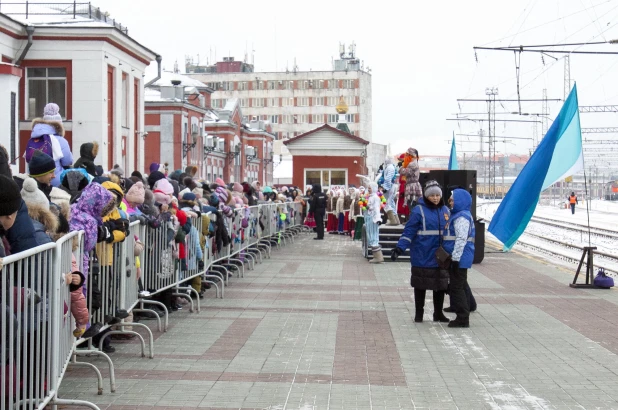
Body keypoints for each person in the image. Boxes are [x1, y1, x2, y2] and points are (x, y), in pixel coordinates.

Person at [390, 180, 450, 323]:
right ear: (426, 196)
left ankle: (438, 313)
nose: (435, 198)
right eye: (432, 195)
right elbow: (409, 231)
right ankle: (419, 313)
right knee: (420, 285)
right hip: (422, 254)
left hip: (440, 257)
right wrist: (400, 247)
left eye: (437, 195)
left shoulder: (445, 210)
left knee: (440, 286)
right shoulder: (419, 211)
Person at [442, 188, 475, 328]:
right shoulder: (459, 214)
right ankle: (463, 307)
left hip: (459, 257)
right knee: (460, 285)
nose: (450, 202)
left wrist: (455, 259)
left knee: (456, 287)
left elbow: (461, 239)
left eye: (452, 199)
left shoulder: (461, 217)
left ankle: (462, 317)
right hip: (460, 257)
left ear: (460, 201)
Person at [365, 182, 384, 263]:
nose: (369, 189)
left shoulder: (375, 197)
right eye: (368, 188)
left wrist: (378, 219)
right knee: (371, 236)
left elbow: (376, 209)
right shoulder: (371, 196)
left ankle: (378, 257)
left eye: (370, 188)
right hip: (370, 219)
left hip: (373, 219)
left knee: (373, 237)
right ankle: (376, 256)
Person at [382, 156, 400, 225]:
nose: (385, 160)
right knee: (391, 203)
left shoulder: (390, 167)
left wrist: (385, 188)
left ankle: (392, 220)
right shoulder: (390, 167)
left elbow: (388, 179)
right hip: (392, 186)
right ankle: (396, 220)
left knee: (387, 203)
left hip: (389, 187)